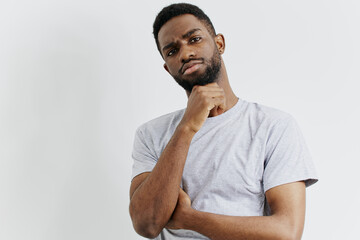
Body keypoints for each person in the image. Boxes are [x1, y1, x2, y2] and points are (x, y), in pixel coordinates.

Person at [129, 3, 318, 240]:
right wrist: (187, 127)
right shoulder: (151, 134)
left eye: (194, 39)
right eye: (172, 51)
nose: (185, 54)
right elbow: (146, 224)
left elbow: (286, 232)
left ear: (219, 43)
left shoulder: (273, 126)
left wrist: (188, 218)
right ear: (168, 69)